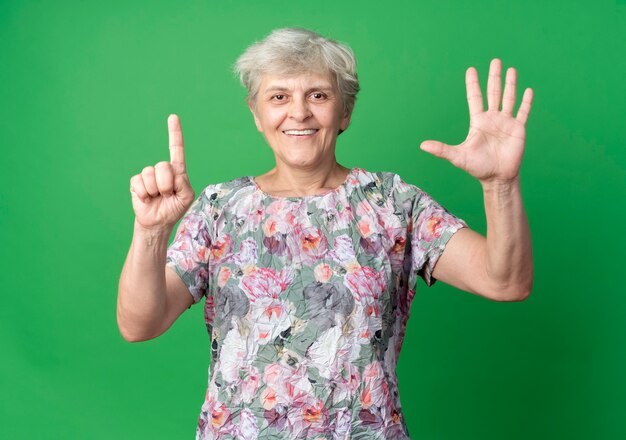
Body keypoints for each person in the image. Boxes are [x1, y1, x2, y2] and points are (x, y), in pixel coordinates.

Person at [117, 28, 534, 439]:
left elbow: (506, 281)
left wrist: (500, 185)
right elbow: (140, 324)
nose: (298, 112)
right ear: (256, 114)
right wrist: (151, 232)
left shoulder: (390, 202)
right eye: (278, 97)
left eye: (318, 95)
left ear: (345, 112)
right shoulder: (219, 209)